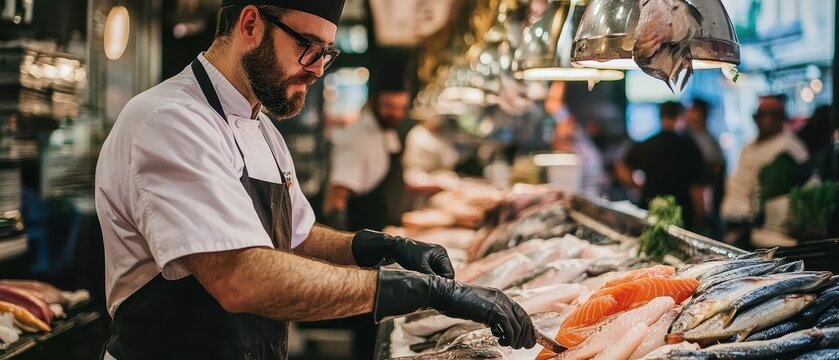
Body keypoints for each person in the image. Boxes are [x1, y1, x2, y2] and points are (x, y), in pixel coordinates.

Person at [94, 2, 536, 359]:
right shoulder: (171, 120)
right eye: (308, 46)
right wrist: (421, 291)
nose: (318, 69)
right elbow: (240, 278)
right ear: (250, 24)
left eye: (326, 52)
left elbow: (296, 238)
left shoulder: (263, 128)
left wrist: (385, 247)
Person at [721, 95, 809, 246]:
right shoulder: (748, 146)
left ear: (782, 119)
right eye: (762, 115)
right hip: (733, 223)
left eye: (773, 115)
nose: (766, 120)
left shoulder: (790, 148)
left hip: (765, 232)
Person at [326, 82, 411, 232]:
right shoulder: (356, 137)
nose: (396, 114)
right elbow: (336, 198)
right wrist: (341, 244)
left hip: (389, 235)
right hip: (363, 238)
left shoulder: (387, 131)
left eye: (401, 108)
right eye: (389, 107)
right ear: (374, 102)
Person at [617, 101, 705, 229]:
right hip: (681, 213)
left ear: (661, 116)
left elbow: (621, 168)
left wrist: (639, 187)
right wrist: (701, 217)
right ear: (681, 117)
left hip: (650, 208)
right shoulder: (689, 146)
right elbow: (698, 187)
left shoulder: (647, 144)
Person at [686, 98, 725, 235]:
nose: (688, 114)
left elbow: (716, 168)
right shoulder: (690, 137)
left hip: (705, 197)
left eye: (692, 111)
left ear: (701, 115)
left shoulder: (707, 140)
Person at [402, 107, 460, 187]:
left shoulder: (436, 134)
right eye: (434, 118)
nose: (438, 121)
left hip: (433, 175)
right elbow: (439, 153)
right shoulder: (417, 134)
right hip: (418, 176)